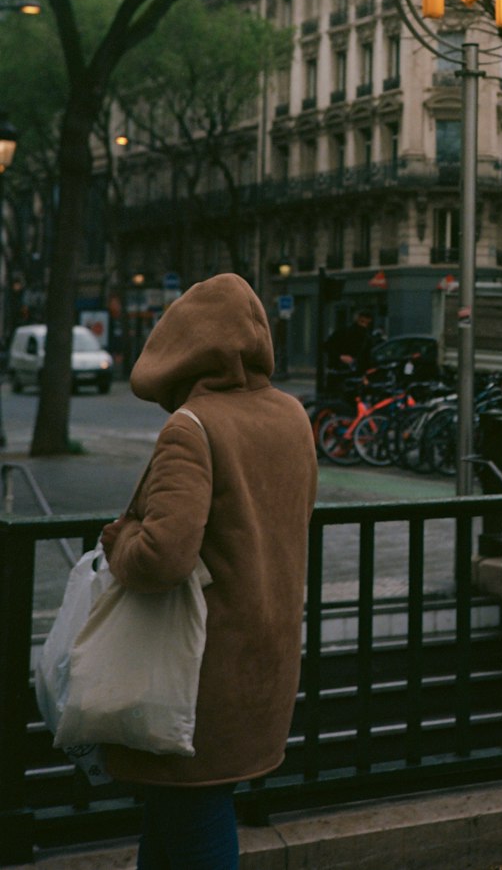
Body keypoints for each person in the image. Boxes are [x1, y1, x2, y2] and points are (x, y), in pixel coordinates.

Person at [100, 273, 317, 869]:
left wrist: (118, 539)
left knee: (191, 812)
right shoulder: (293, 416)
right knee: (179, 814)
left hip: (198, 672)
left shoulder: (191, 428)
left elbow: (160, 557)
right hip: (266, 655)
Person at [324, 310, 375, 375]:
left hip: (355, 372)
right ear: (357, 320)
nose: (364, 325)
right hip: (339, 370)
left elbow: (367, 356)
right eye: (362, 321)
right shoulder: (343, 332)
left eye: (367, 323)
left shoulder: (367, 338)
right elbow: (327, 346)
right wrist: (340, 357)